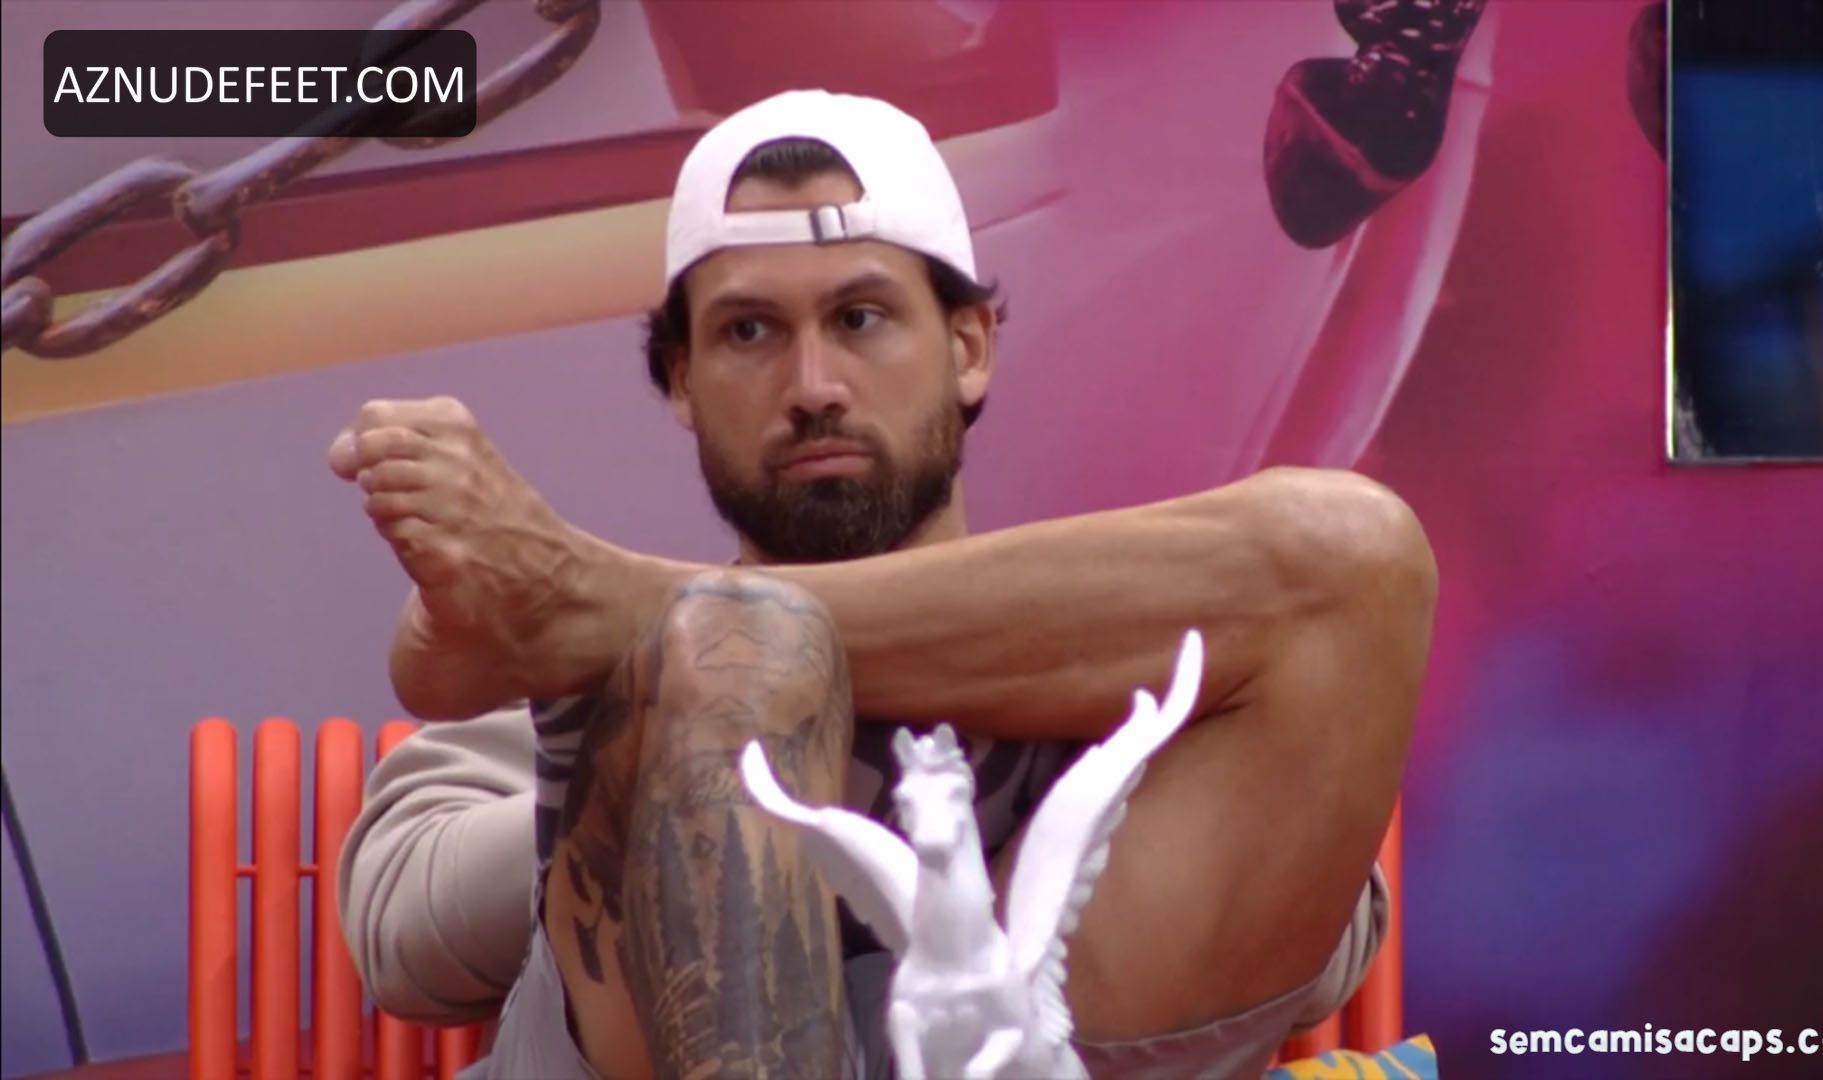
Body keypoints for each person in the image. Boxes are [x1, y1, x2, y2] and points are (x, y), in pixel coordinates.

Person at [331, 89, 1435, 1080]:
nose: (813, 386)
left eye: (860, 319)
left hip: (1051, 1044)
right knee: (737, 658)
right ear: (682, 381)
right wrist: (661, 753)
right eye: (750, 331)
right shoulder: (583, 673)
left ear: (968, 348)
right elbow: (404, 939)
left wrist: (634, 621)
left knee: (1355, 546)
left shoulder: (558, 624)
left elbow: (1329, 942)